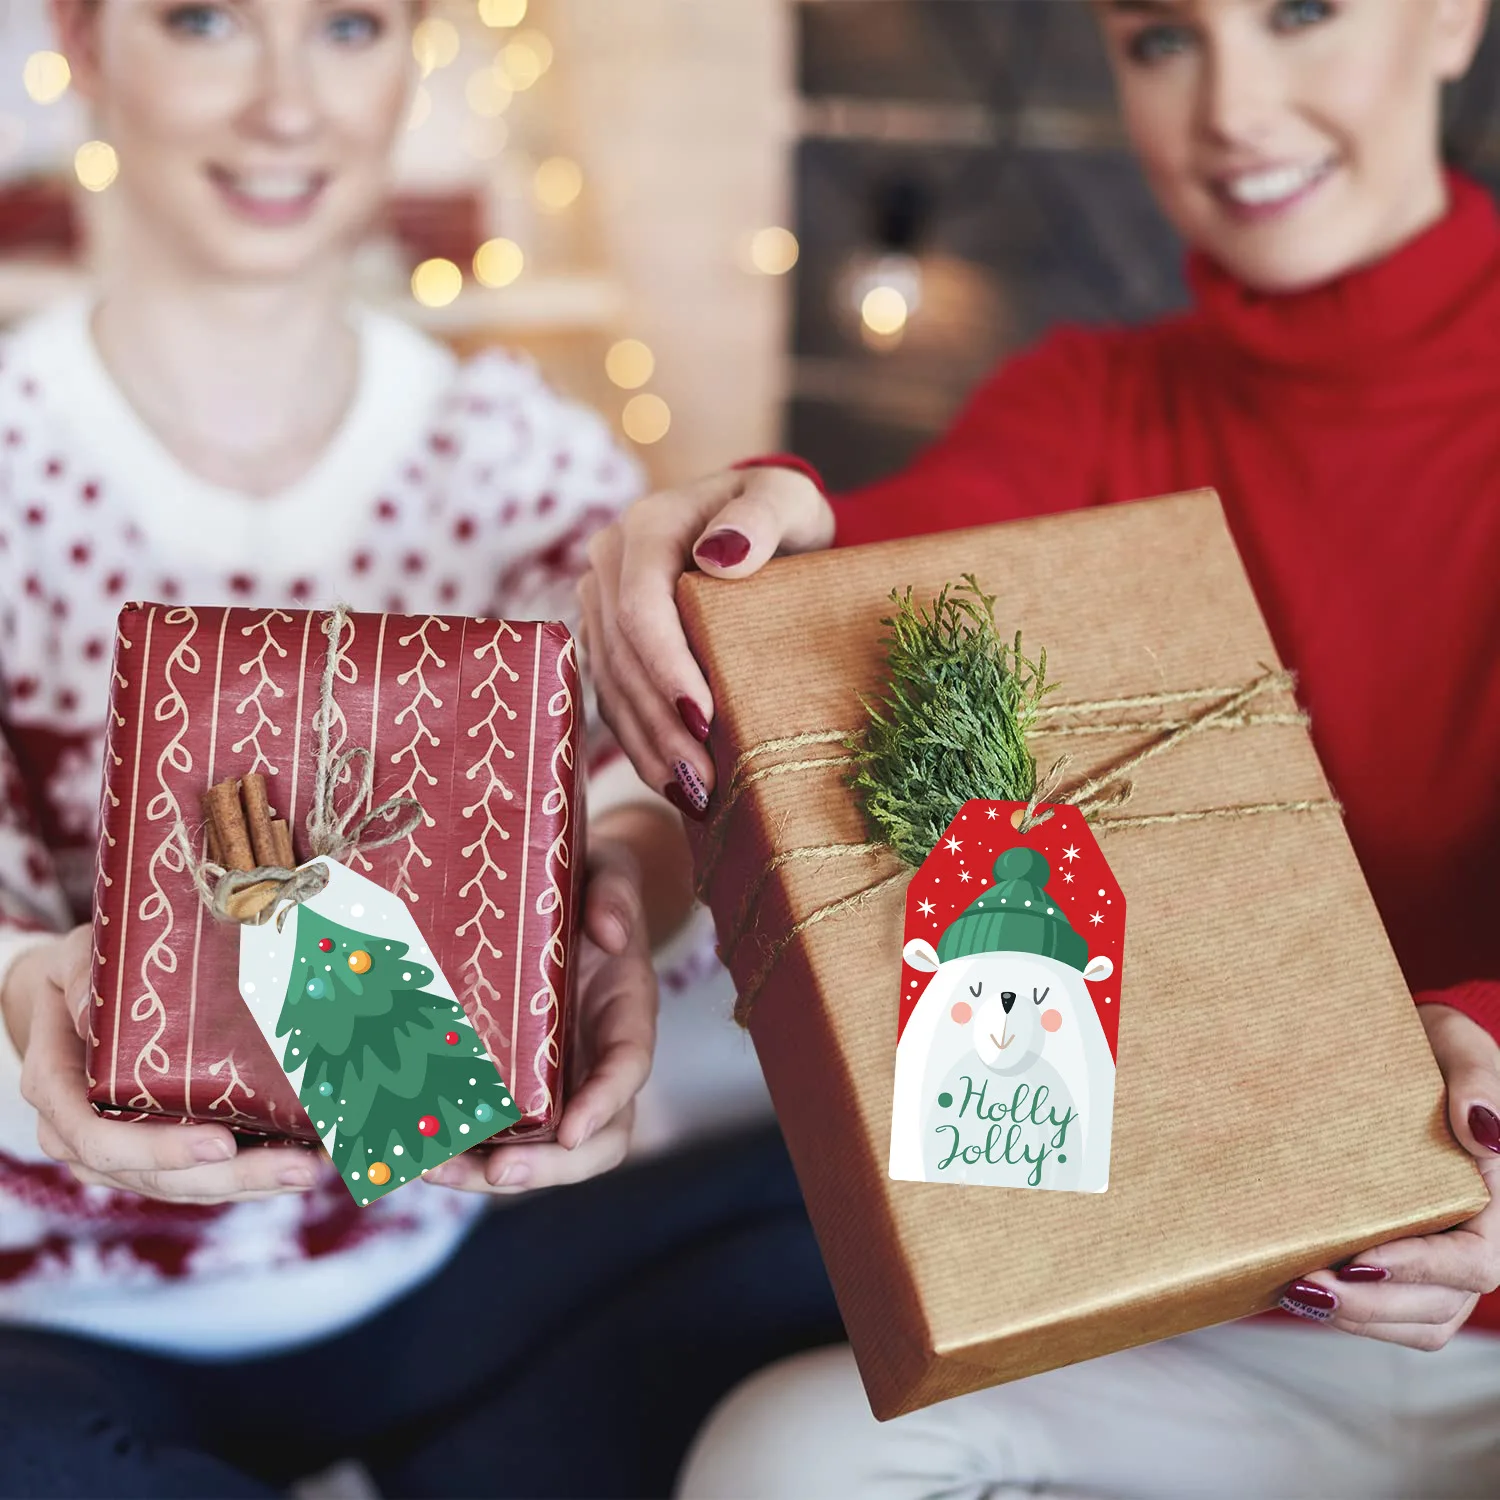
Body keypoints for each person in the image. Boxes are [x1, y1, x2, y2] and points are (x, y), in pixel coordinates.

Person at [581, 0, 1500, 1493]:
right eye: (1161, 39)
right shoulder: (1094, 405)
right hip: (1220, 1315)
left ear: (1454, 18)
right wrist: (751, 534)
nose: (1233, 108)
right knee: (783, 1456)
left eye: (1301, 13)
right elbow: (867, 581)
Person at [0, 3, 833, 1495]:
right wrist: (17, 976)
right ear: (81, 38)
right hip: (52, 1321)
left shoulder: (524, 459)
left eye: (347, 24)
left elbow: (640, 781)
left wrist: (626, 886)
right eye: (203, 18)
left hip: (443, 1272)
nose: (285, 108)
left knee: (831, 1214)